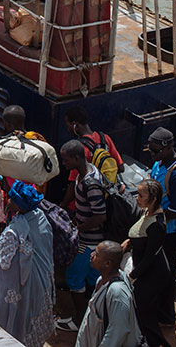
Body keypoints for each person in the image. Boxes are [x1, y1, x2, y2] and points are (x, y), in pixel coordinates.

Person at [0, 181, 54, 347]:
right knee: (28, 319)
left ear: (20, 205)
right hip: (39, 284)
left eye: (11, 199)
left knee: (11, 321)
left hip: (17, 287)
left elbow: (0, 269)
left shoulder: (14, 232)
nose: (8, 201)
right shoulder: (40, 218)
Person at [57, 139, 109, 333]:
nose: (64, 164)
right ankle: (94, 317)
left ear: (77, 158)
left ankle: (79, 321)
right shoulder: (86, 173)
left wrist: (78, 229)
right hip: (92, 241)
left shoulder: (90, 182)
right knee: (92, 279)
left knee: (74, 278)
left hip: (89, 241)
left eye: (66, 160)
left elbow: (100, 215)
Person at [120, 178, 171, 347]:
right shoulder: (146, 212)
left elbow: (149, 257)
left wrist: (131, 277)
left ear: (153, 198)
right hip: (144, 270)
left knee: (145, 314)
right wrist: (130, 242)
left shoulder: (157, 225)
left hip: (152, 274)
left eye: (141, 196)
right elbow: (140, 234)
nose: (137, 198)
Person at [147, 126, 176, 325]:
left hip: (170, 232)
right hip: (157, 227)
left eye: (155, 151)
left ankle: (166, 316)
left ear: (167, 148)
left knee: (166, 273)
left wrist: (155, 215)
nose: (152, 154)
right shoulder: (159, 163)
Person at [76, 241, 144, 347]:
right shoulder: (101, 280)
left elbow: (118, 332)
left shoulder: (117, 292)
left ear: (107, 263)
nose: (91, 254)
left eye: (96, 254)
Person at [63, 106, 123, 188]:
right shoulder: (105, 138)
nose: (68, 129)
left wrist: (64, 201)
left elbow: (74, 183)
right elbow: (121, 167)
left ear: (74, 125)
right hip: (108, 192)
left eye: (68, 125)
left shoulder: (79, 149)